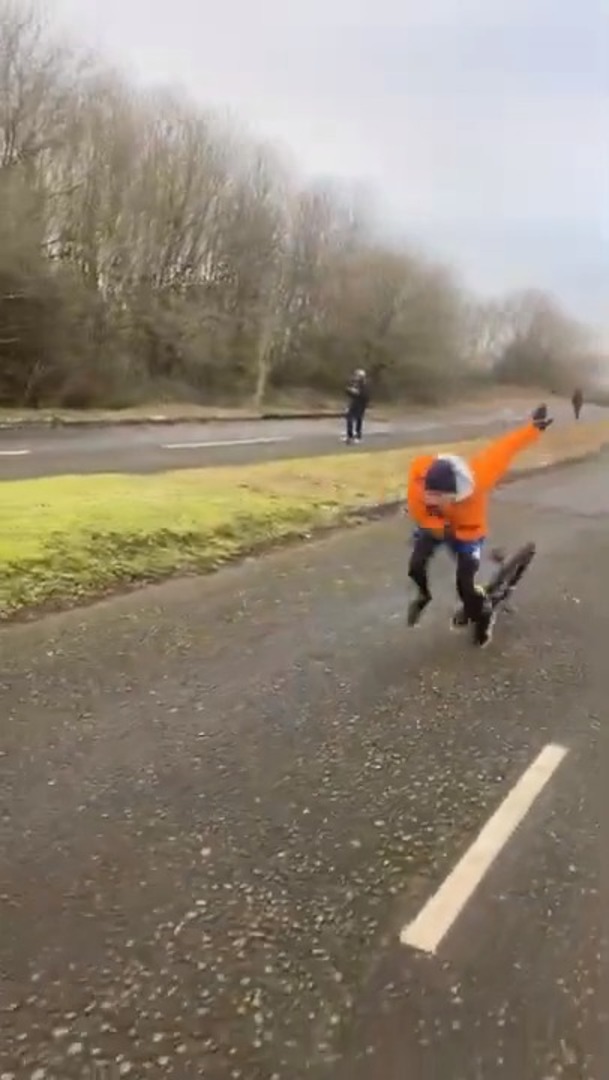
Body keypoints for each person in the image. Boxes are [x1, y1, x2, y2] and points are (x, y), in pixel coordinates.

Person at [405, 404, 553, 647]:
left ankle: (483, 615)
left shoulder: (479, 476)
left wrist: (532, 429)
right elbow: (420, 512)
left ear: (456, 491)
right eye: (429, 495)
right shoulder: (419, 479)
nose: (433, 500)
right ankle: (424, 596)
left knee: (465, 586)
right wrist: (436, 525)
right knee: (415, 566)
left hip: (467, 533)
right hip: (435, 526)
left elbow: (503, 449)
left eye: (441, 497)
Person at [344, 369, 370, 444]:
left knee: (358, 419)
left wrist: (356, 393)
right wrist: (349, 391)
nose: (356, 377)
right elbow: (350, 393)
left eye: (358, 375)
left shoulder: (365, 385)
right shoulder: (355, 384)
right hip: (354, 403)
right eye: (356, 375)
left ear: (362, 377)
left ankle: (358, 435)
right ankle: (350, 436)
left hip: (361, 405)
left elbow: (365, 396)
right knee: (349, 418)